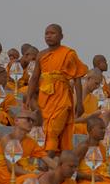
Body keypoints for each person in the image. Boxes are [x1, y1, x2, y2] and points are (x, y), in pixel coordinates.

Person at [26, 24, 87, 155]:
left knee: (53, 130)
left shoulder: (69, 53)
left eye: (52, 33)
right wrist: (29, 96)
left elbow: (77, 79)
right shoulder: (41, 55)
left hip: (62, 97)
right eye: (46, 33)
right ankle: (51, 162)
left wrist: (80, 103)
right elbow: (34, 78)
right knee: (45, 129)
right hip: (45, 97)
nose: (49, 36)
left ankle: (46, 162)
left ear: (61, 36)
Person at [0, 109, 52, 184]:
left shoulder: (31, 142)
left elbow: (47, 160)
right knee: (40, 178)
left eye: (32, 121)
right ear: (16, 121)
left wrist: (60, 171)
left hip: (26, 177)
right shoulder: (7, 139)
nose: (31, 123)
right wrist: (36, 174)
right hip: (9, 181)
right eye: (28, 119)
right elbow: (12, 168)